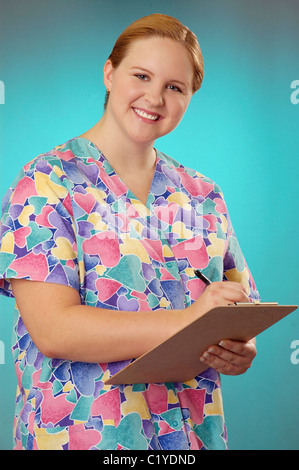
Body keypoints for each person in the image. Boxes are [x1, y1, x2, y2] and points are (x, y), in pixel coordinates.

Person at [0, 13, 259, 451]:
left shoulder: (203, 195)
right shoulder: (45, 182)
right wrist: (187, 323)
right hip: (87, 438)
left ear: (190, 97)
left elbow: (239, 308)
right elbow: (55, 330)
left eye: (175, 87)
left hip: (192, 437)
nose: (154, 97)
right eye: (141, 75)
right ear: (109, 72)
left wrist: (240, 346)